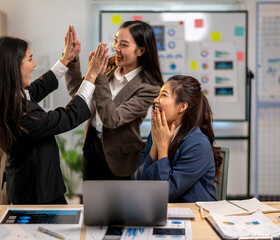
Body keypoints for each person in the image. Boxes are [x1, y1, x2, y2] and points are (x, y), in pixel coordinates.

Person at [0, 27, 108, 204]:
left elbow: (37, 89)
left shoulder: (8, 96)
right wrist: (92, 75)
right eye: (30, 59)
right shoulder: (19, 113)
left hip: (31, 186)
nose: (34, 65)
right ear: (14, 66)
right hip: (37, 194)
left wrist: (65, 60)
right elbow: (69, 117)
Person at [65, 21, 164, 180]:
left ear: (140, 51)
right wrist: (73, 59)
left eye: (124, 44)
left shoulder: (150, 87)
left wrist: (100, 76)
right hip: (91, 146)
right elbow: (78, 91)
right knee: (92, 203)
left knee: (119, 205)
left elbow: (112, 119)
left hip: (120, 159)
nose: (116, 48)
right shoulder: (109, 65)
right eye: (115, 41)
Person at [132, 75, 223, 203]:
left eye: (163, 95)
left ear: (182, 107)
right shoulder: (158, 133)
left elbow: (167, 193)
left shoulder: (198, 143)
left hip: (196, 215)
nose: (155, 100)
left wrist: (162, 147)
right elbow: (137, 184)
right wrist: (155, 148)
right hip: (162, 211)